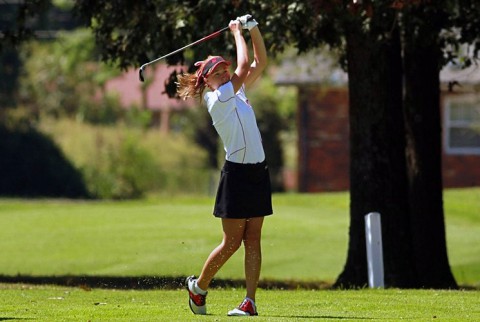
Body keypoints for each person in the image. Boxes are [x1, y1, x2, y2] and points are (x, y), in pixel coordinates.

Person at [176, 15, 272, 317]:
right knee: (232, 242)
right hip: (236, 176)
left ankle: (250, 301)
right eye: (217, 70)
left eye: (224, 68)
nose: (224, 71)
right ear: (207, 79)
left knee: (253, 238)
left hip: (257, 171)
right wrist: (235, 33)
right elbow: (244, 67)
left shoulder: (237, 92)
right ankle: (200, 287)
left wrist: (252, 28)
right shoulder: (216, 100)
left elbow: (260, 62)